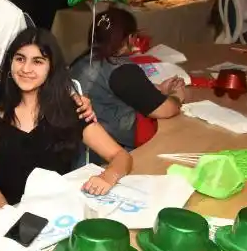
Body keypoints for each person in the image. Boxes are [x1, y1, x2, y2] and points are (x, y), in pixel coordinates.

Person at [0, 28, 133, 207]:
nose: (26, 69)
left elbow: (121, 156)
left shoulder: (71, 111)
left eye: (38, 61)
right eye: (20, 59)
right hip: (10, 213)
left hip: (59, 211)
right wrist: (10, 214)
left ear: (51, 67)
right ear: (10, 62)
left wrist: (107, 177)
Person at [70, 9, 184, 159]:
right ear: (130, 38)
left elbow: (115, 91)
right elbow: (165, 110)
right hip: (108, 151)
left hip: (80, 144)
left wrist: (159, 89)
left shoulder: (82, 60)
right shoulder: (120, 69)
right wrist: (177, 97)